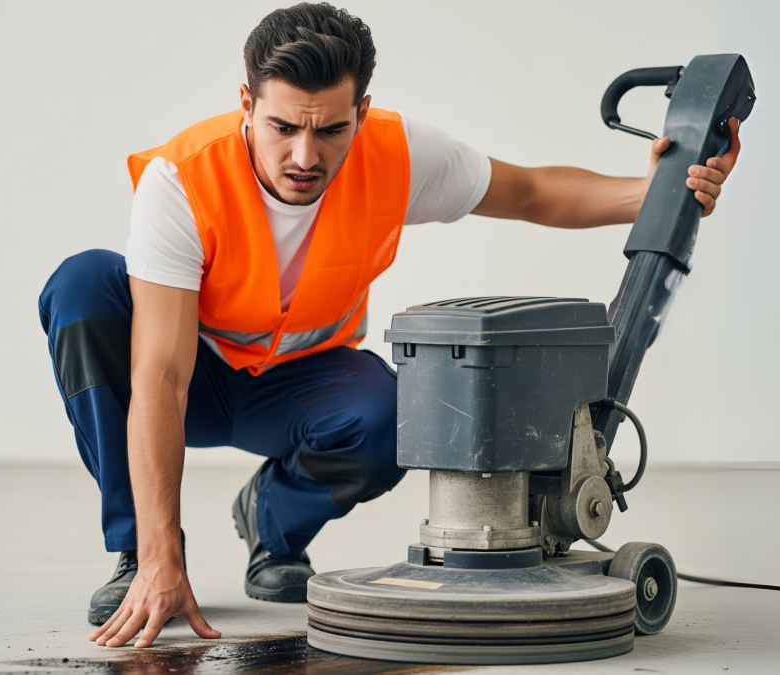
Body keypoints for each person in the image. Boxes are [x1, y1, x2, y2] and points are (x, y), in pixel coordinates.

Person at [38, 2, 741, 650]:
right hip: (192, 377)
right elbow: (160, 373)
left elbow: (527, 191)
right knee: (83, 285)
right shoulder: (182, 179)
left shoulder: (396, 153)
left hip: (299, 387)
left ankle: (272, 522)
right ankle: (140, 550)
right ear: (247, 105)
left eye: (331, 129)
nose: (306, 156)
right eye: (283, 127)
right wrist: (162, 552)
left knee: (394, 412)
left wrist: (658, 196)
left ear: (362, 112)